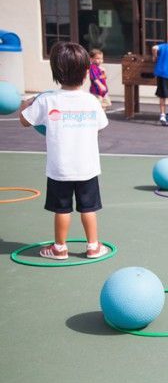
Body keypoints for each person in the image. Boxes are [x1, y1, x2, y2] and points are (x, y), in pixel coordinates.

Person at [18, 41, 109, 260]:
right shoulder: (92, 101)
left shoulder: (47, 100)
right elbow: (100, 128)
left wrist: (25, 105)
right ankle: (93, 246)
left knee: (63, 210)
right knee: (89, 208)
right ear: (87, 72)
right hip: (87, 167)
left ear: (56, 72)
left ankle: (60, 248)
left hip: (60, 168)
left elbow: (24, 121)